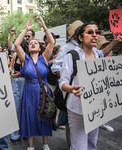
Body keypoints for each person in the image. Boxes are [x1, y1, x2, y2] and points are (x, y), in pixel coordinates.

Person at [59, 22, 104, 150]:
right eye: (90, 32)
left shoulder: (99, 55)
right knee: (79, 146)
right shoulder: (73, 55)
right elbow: (62, 82)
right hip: (77, 109)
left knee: (92, 144)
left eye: (97, 32)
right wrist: (72, 89)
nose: (94, 35)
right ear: (80, 37)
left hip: (96, 108)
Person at [14, 15, 55, 150]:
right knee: (30, 116)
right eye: (31, 42)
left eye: (36, 43)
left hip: (43, 90)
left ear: (39, 48)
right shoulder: (25, 58)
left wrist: (44, 27)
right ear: (29, 47)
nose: (33, 43)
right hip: (29, 91)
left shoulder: (44, 58)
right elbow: (16, 44)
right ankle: (31, 146)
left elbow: (52, 42)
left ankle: (45, 144)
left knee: (45, 114)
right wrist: (26, 30)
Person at [97, 36, 115, 132]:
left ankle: (104, 122)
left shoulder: (110, 53)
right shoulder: (94, 54)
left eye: (106, 44)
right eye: (103, 45)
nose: (105, 46)